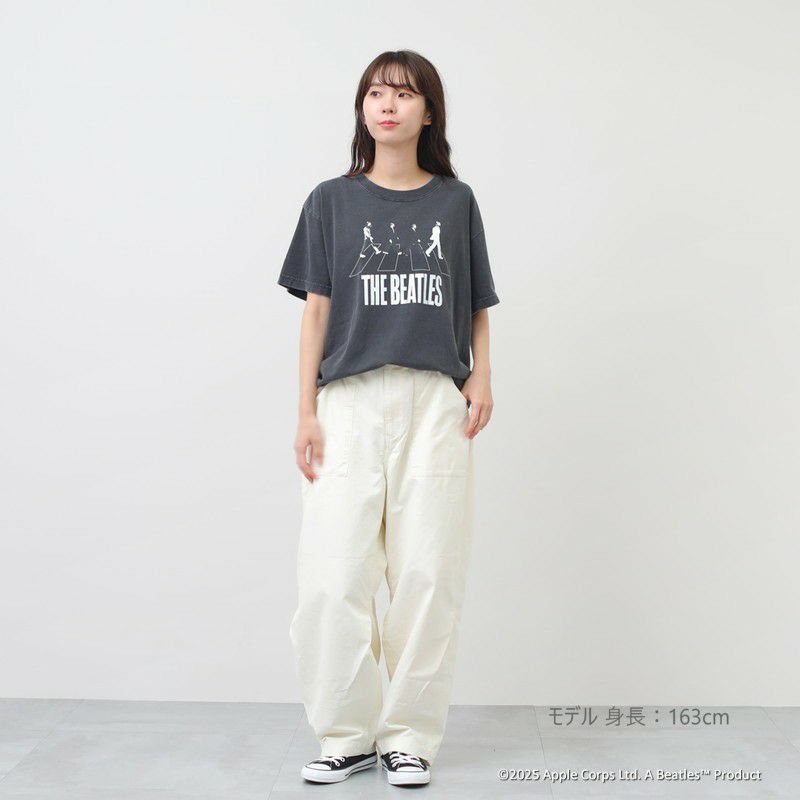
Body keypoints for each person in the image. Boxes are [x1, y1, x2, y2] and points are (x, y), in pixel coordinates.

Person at [277, 49, 499, 787]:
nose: (388, 105)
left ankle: (409, 737)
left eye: (404, 94)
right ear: (362, 108)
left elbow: (475, 300)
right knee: (332, 576)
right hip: (347, 401)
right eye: (376, 93)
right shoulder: (330, 202)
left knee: (429, 574)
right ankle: (346, 735)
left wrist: (483, 377)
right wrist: (305, 410)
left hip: (435, 401)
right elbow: (315, 312)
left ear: (428, 112)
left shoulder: (455, 203)